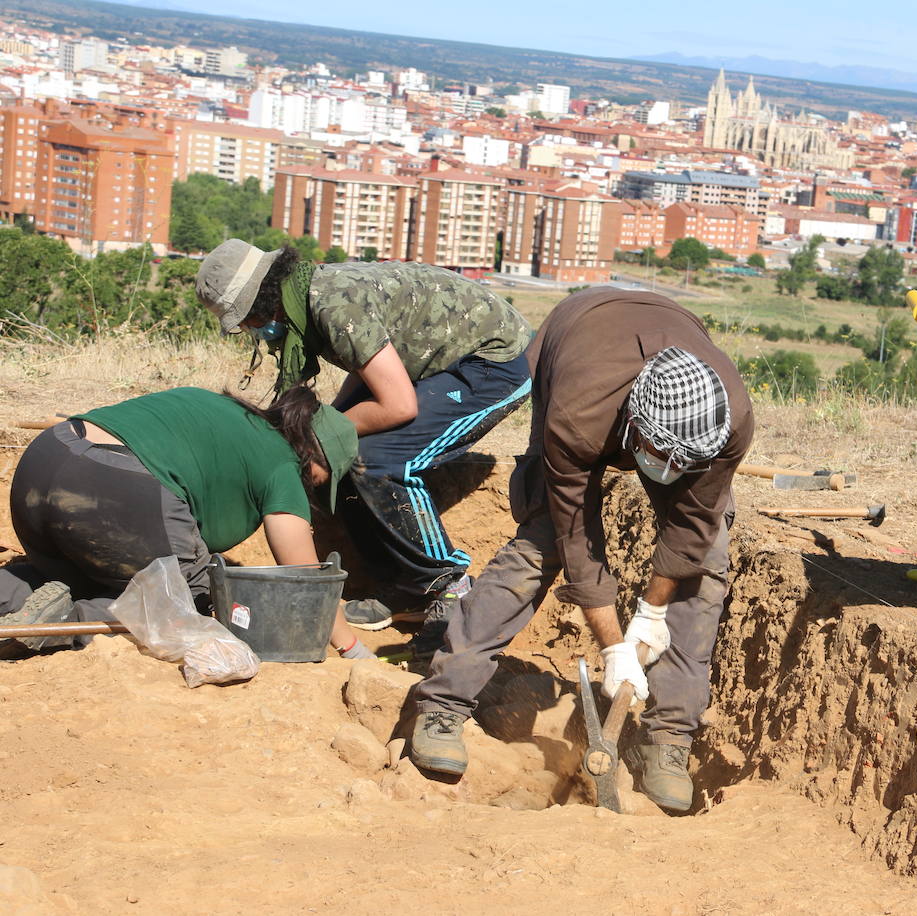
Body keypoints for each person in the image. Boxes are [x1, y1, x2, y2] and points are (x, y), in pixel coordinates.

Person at [408, 287, 753, 813]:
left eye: (687, 462)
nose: (672, 469)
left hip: (672, 342)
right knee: (541, 543)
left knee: (705, 567)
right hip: (579, 334)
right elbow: (578, 538)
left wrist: (651, 613)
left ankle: (669, 743)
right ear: (635, 427)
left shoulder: (728, 422)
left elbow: (692, 528)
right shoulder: (580, 412)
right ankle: (442, 704)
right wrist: (616, 648)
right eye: (662, 456)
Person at [195, 240, 533, 632]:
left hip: (491, 364)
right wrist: (329, 427)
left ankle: (448, 587)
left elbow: (399, 404)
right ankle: (408, 590)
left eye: (246, 322)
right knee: (338, 448)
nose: (251, 332)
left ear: (262, 304)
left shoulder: (332, 305)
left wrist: (327, 431)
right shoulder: (307, 295)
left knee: (377, 460)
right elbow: (367, 360)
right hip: (432, 364)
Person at [0, 386, 369, 659]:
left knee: (83, 578)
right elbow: (304, 571)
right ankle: (67, 620)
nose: (313, 489)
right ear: (312, 453)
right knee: (187, 601)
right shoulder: (283, 459)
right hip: (112, 487)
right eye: (322, 479)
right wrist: (350, 646)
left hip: (45, 460)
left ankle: (11, 594)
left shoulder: (226, 412)